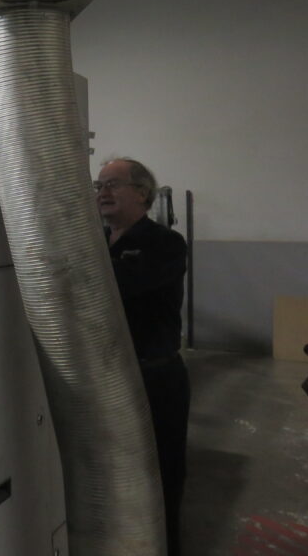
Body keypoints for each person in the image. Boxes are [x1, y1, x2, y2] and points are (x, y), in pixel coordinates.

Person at [95, 157, 189, 556]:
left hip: (154, 379)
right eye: (99, 184)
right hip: (108, 377)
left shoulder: (165, 243)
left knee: (159, 476)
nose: (103, 192)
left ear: (142, 193)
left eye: (113, 184)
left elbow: (118, 287)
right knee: (112, 474)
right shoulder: (97, 241)